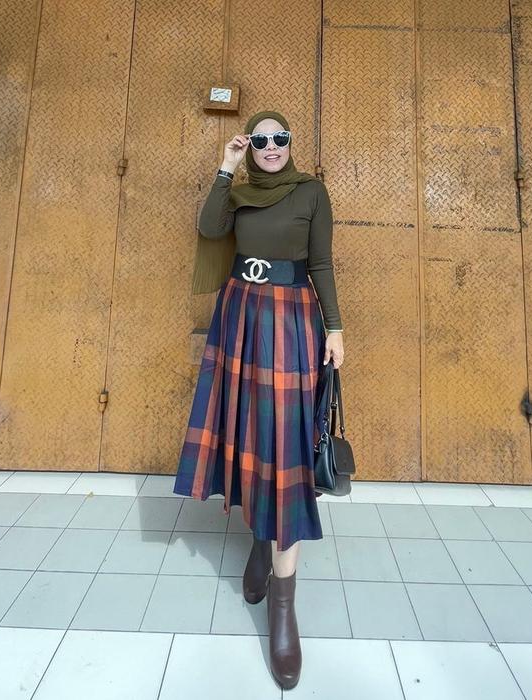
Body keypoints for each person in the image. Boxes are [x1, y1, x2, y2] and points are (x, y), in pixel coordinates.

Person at [173, 109, 344, 689]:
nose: (272, 147)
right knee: (248, 434)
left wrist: (335, 329)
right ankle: (258, 539)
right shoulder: (239, 192)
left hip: (291, 321)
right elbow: (208, 228)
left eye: (281, 139)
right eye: (262, 140)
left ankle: (283, 610)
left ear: (291, 143)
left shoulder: (311, 192)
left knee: (285, 447)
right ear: (250, 146)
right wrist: (225, 168)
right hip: (241, 317)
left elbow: (320, 264)